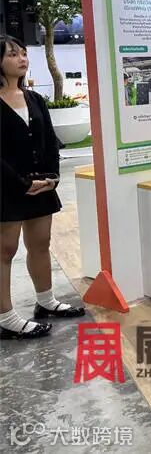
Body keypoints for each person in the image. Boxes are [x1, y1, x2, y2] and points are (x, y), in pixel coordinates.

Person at [1, 36, 85, 340]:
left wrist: (52, 177)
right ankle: (6, 317)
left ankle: (46, 301)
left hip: (41, 184)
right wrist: (21, 183)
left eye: (24, 53)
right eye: (13, 54)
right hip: (7, 186)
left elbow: (50, 141)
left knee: (40, 243)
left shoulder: (34, 98)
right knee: (5, 250)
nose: (22, 59)